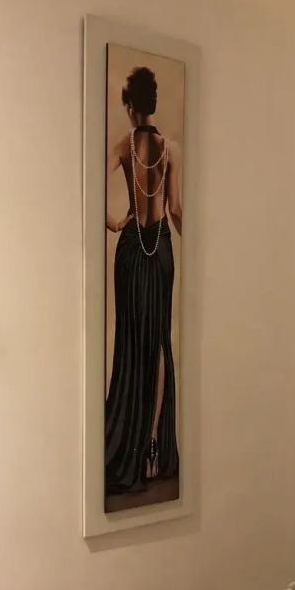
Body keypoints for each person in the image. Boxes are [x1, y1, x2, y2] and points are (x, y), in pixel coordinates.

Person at [105, 65, 182, 497]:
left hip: (133, 247)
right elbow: (176, 209)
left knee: (132, 344)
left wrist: (115, 221)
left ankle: (131, 448)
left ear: (130, 107)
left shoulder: (123, 145)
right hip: (161, 248)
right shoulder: (172, 149)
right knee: (158, 343)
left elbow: (87, 185)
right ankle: (153, 445)